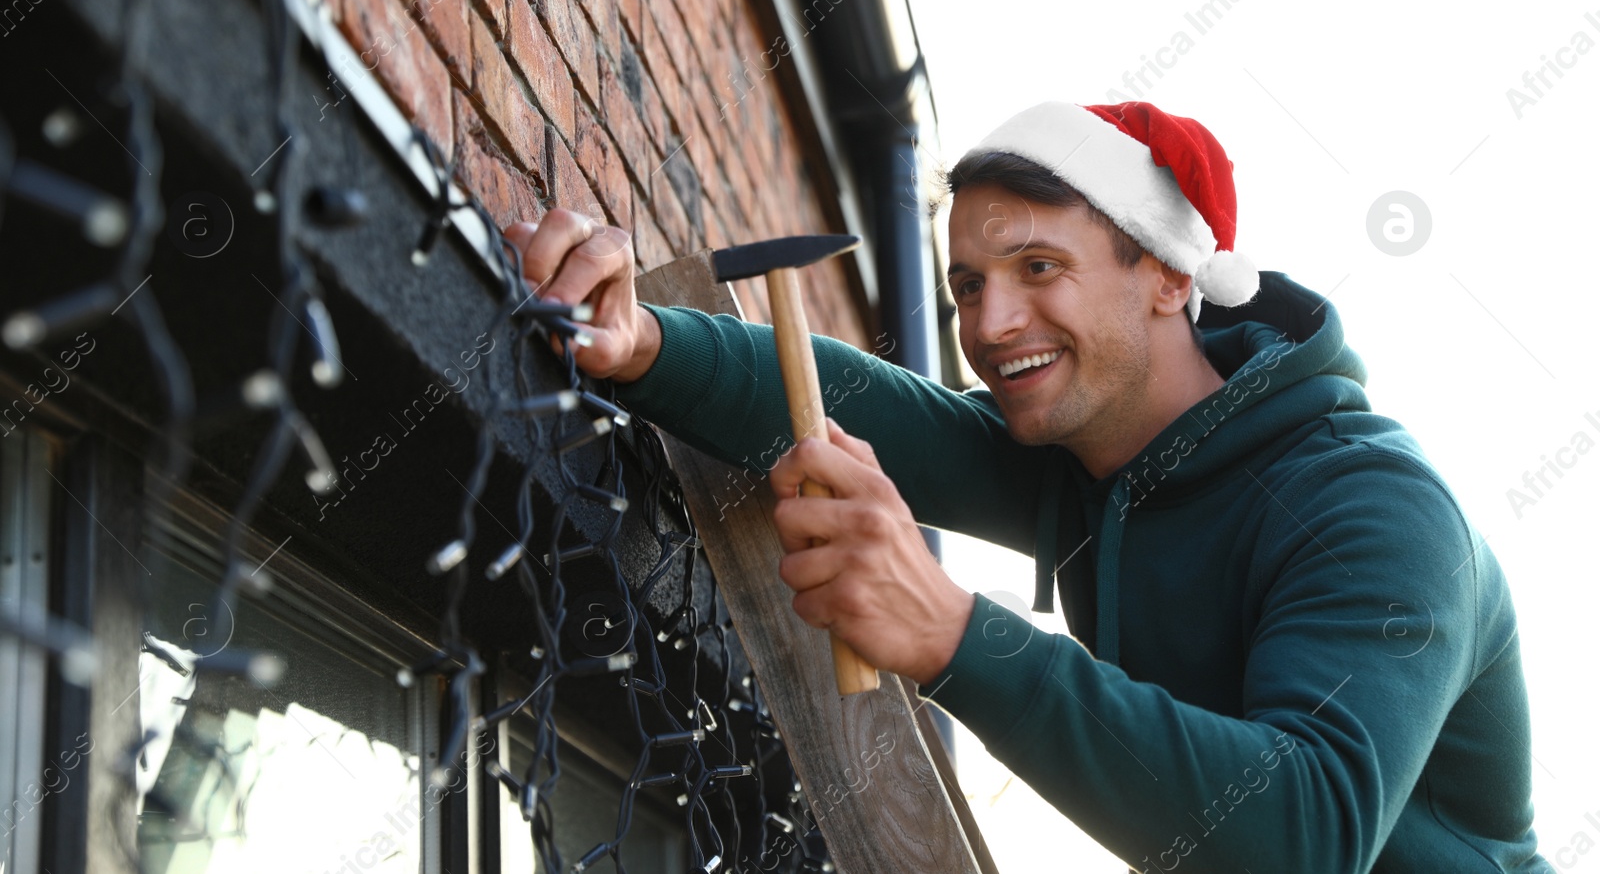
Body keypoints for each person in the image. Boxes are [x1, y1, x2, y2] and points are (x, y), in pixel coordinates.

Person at [507, 101, 1551, 873]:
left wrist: (956, 635)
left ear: (1170, 276)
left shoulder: (1370, 507)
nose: (990, 322)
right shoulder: (1092, 458)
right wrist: (639, 342)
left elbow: (1303, 836)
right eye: (967, 283)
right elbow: (863, 405)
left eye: (1038, 267)